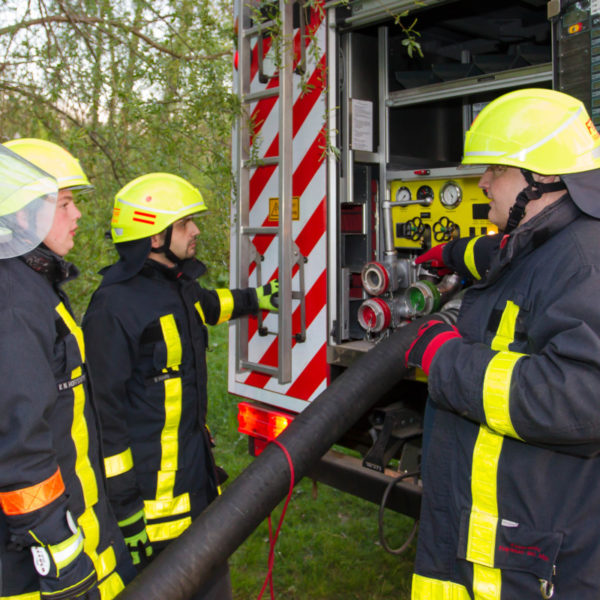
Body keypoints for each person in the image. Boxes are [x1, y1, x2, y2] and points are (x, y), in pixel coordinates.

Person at [404, 88, 600, 600]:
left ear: (545, 178)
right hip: (499, 536)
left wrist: (443, 358)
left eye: (497, 169)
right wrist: (451, 253)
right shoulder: (549, 239)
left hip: (529, 558)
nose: (483, 181)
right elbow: (507, 256)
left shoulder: (585, 261)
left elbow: (578, 399)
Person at [81, 172, 278, 597]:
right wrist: (127, 511)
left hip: (197, 487)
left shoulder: (179, 285)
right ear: (154, 238)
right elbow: (105, 419)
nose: (196, 231)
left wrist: (256, 298)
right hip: (151, 512)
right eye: (186, 223)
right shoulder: (112, 308)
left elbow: (208, 305)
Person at [0, 139, 136, 599]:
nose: (77, 215)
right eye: (65, 203)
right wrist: (59, 552)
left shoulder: (32, 286)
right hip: (34, 568)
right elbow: (19, 447)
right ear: (22, 215)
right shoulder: (13, 305)